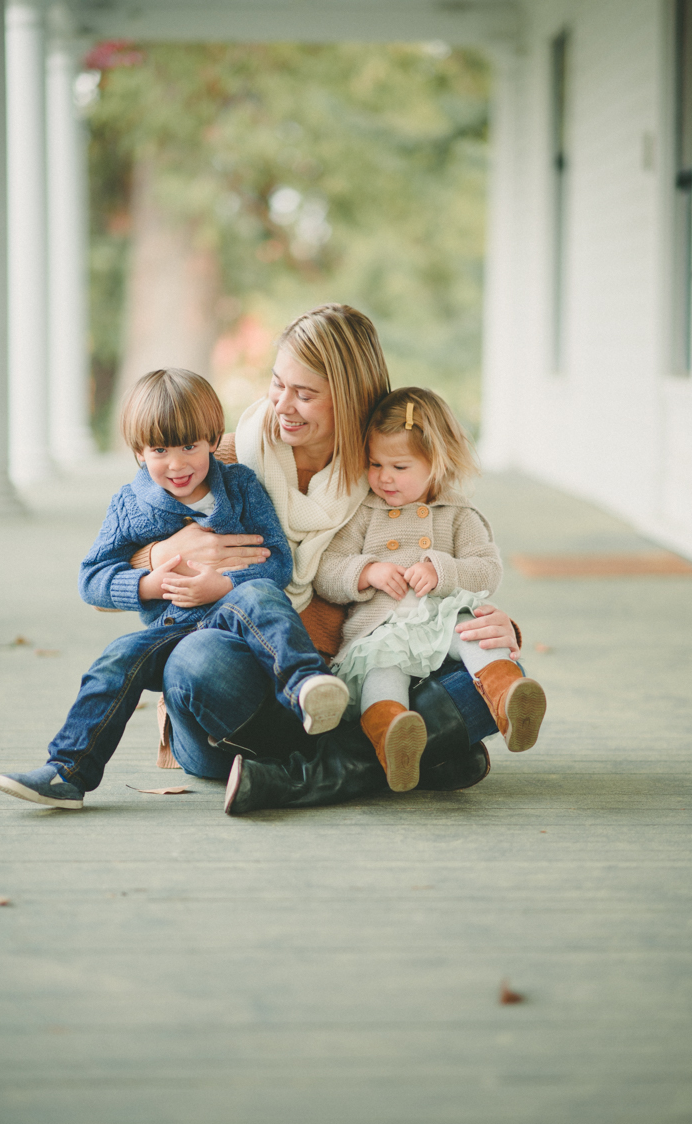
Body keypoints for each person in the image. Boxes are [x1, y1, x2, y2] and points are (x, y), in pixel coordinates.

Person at [127, 305, 526, 815]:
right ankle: (414, 755)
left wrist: (491, 624)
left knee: (498, 673)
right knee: (195, 662)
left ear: (352, 399)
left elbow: (451, 556)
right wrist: (162, 553)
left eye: (305, 394)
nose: (282, 406)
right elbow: (112, 563)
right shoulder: (222, 461)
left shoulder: (387, 475)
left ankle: (309, 775)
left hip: (346, 687)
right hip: (248, 699)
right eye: (278, 384)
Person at [0, 368, 348, 810]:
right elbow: (92, 578)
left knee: (261, 595)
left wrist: (222, 584)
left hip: (235, 625)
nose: (177, 464)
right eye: (160, 449)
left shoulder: (240, 487)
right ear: (139, 451)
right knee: (116, 658)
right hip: (172, 627)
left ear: (213, 440)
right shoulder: (130, 504)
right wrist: (149, 583)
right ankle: (67, 771)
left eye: (189, 446)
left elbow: (276, 560)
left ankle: (307, 686)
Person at [308, 387, 546, 793]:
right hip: (381, 631)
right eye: (374, 463)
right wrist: (367, 571)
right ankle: (394, 737)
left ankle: (508, 697)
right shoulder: (364, 512)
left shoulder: (457, 514)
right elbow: (326, 570)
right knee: (382, 673)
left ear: (436, 463)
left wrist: (442, 570)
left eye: (399, 466)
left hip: (442, 621)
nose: (384, 477)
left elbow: (487, 570)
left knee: (474, 630)